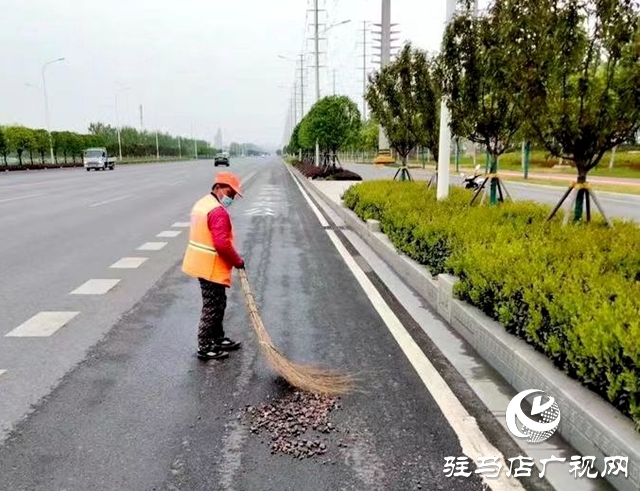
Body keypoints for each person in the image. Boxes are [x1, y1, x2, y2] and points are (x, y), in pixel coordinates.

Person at [182, 171, 245, 361]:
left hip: (201, 263)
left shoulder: (203, 203)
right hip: (209, 265)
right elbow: (222, 244)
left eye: (234, 194)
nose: (232, 197)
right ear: (217, 187)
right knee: (212, 306)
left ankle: (217, 338)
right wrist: (238, 261)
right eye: (230, 192)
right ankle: (205, 346)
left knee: (219, 303)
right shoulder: (217, 212)